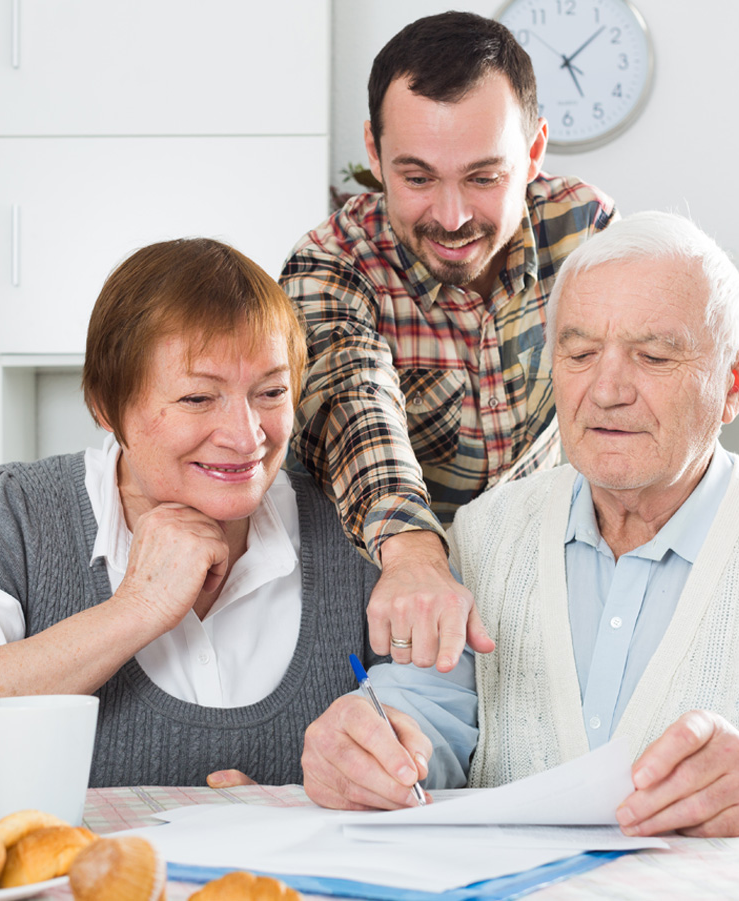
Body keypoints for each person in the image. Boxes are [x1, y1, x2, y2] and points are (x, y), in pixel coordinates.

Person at [300, 211, 739, 838]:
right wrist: (372, 741)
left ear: (736, 382)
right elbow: (425, 713)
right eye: (579, 352)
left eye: (654, 356)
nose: (606, 390)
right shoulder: (482, 532)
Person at [0, 238, 384, 799]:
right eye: (198, 398)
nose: (248, 436)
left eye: (271, 392)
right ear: (106, 406)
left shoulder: (348, 524)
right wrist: (136, 609)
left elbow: (433, 740)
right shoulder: (14, 514)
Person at [282, 11, 616, 674]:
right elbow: (354, 405)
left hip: (558, 603)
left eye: (484, 177)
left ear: (533, 151)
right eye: (417, 178)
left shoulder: (582, 227)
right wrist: (411, 554)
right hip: (389, 604)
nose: (453, 216)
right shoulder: (330, 263)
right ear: (373, 155)